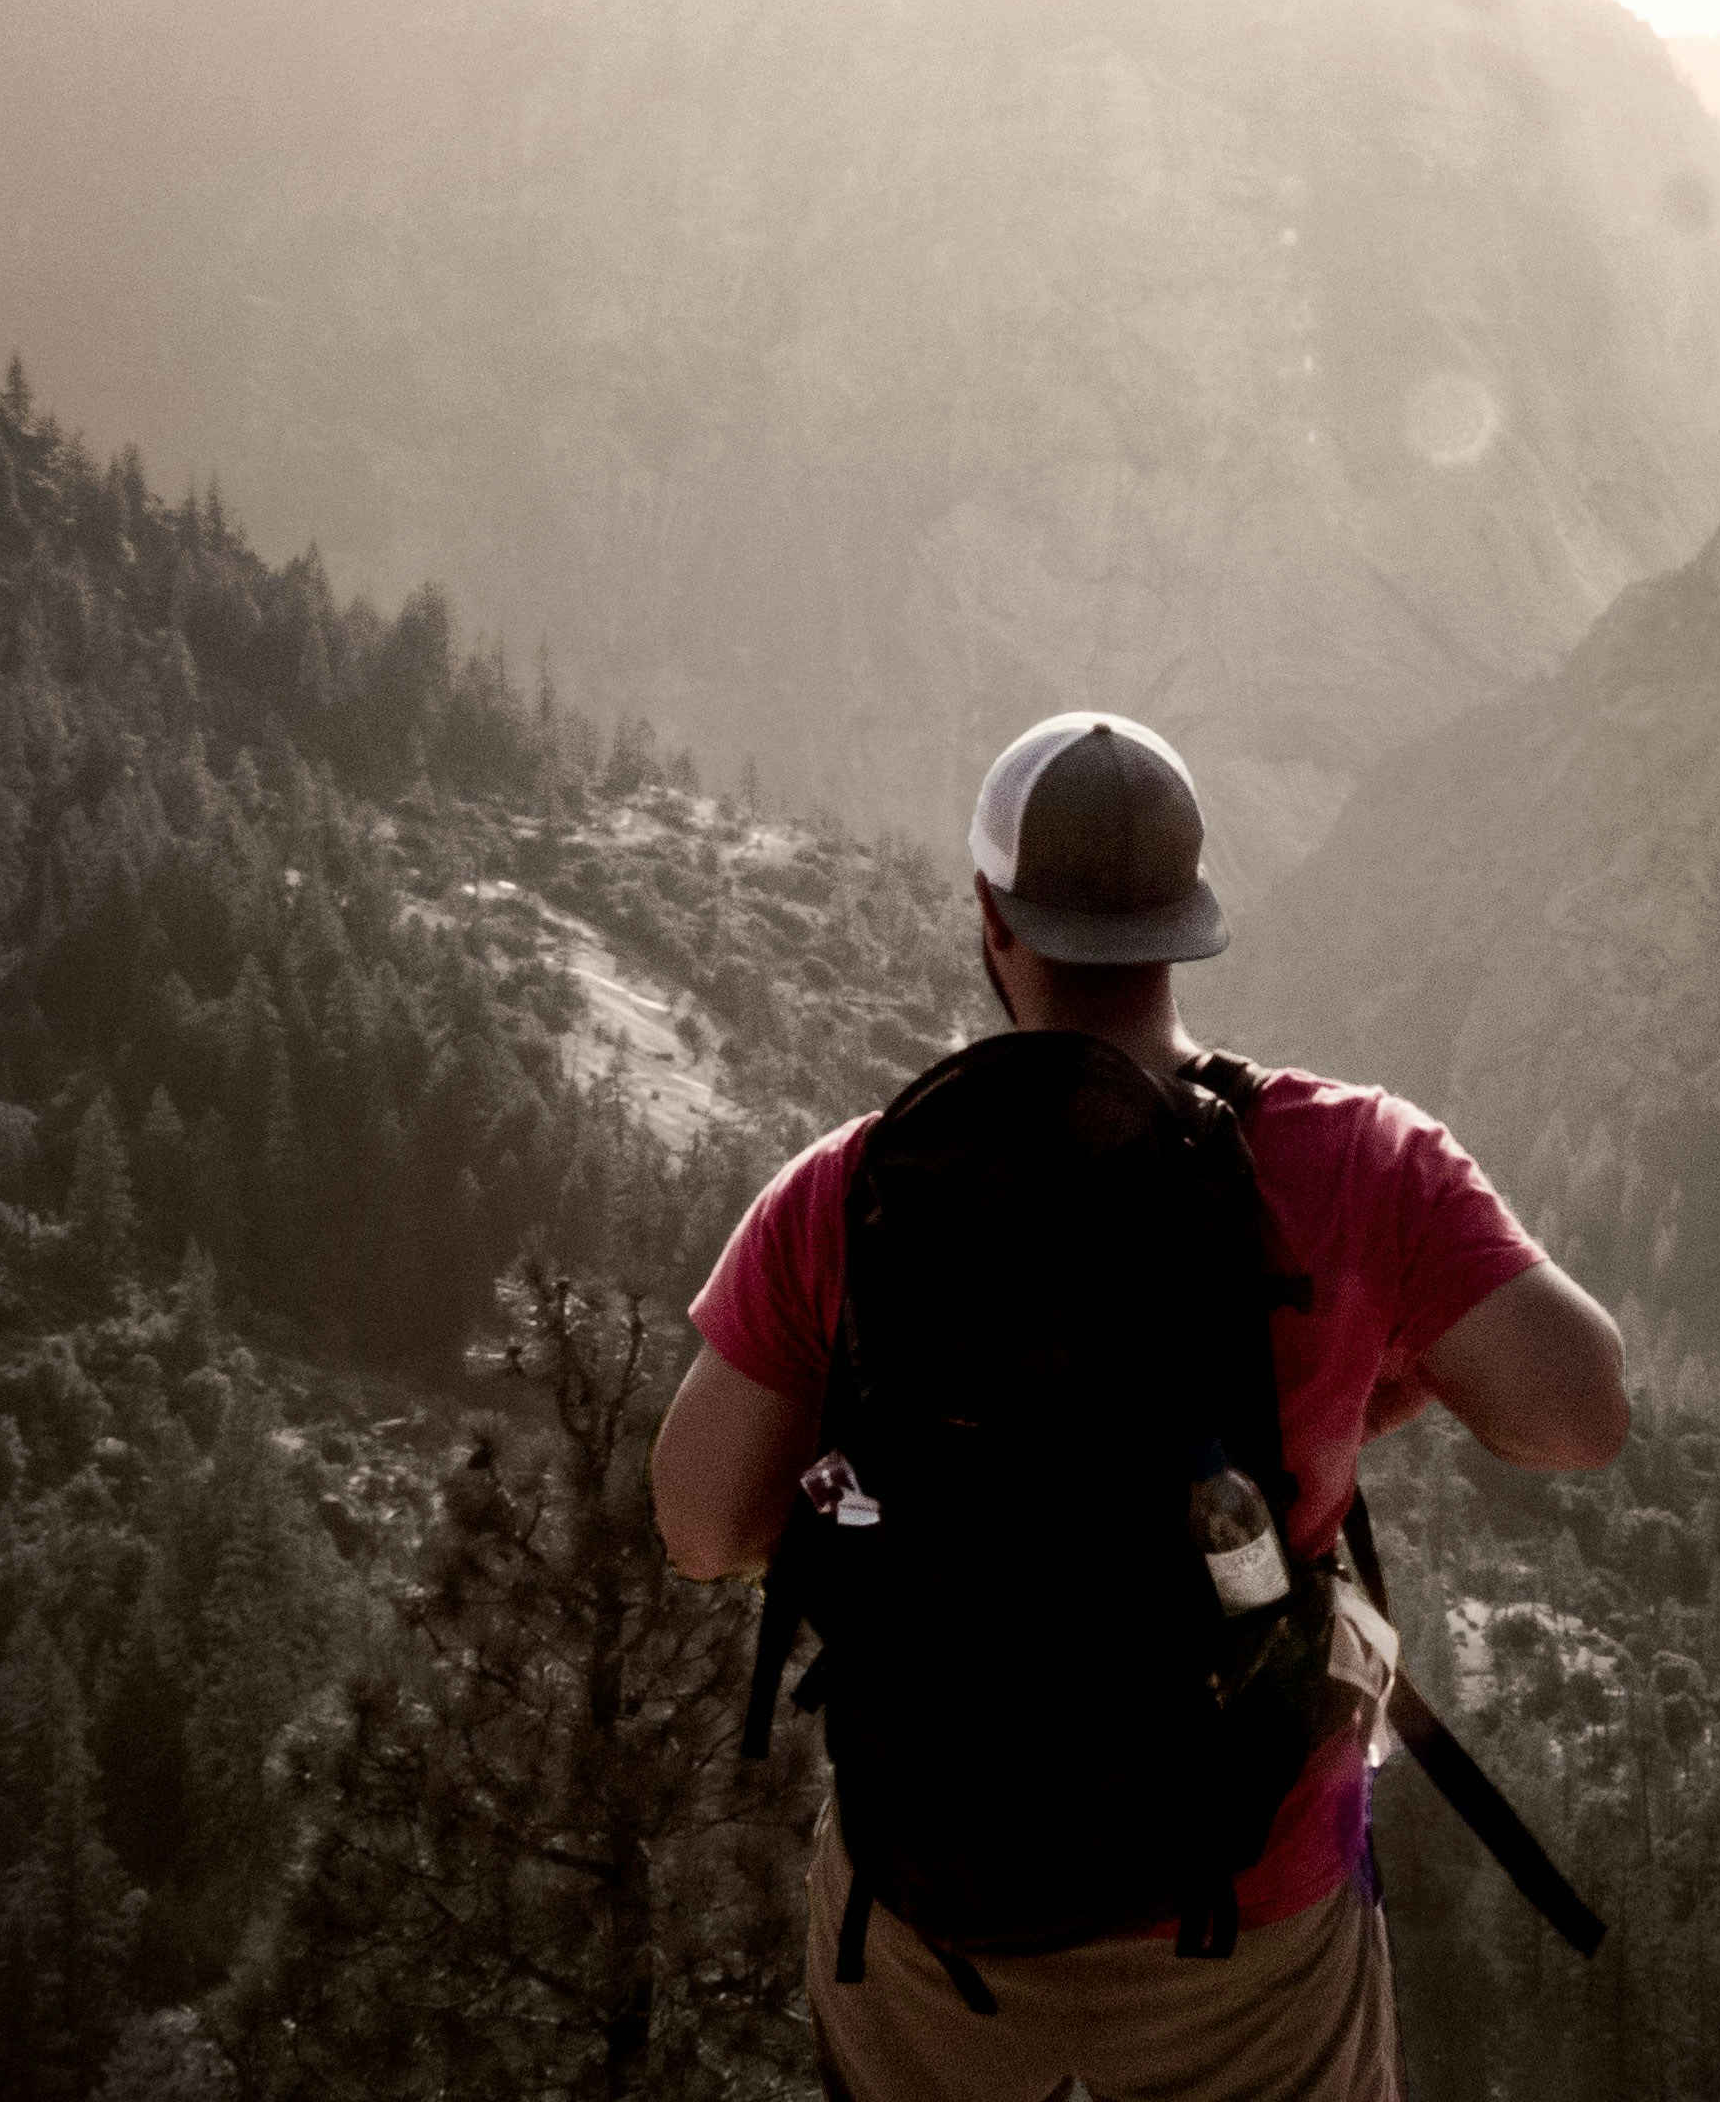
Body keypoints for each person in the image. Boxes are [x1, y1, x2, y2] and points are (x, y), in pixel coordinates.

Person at [653, 709, 1629, 2102]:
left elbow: (698, 1523)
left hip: (938, 1908)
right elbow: (1578, 1416)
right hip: (1250, 1907)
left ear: (993, 918)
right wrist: (1354, 1398)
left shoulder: (852, 1193)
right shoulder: (1360, 1164)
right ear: (1191, 919)